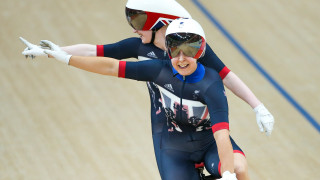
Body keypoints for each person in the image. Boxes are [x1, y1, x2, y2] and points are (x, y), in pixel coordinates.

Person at [20, 0, 273, 178]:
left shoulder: (197, 53)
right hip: (168, 128)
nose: (133, 26)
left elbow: (227, 77)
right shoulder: (148, 58)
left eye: (138, 19)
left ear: (160, 22)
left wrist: (258, 106)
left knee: (237, 168)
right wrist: (56, 53)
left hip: (202, 129)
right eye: (131, 18)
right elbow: (99, 55)